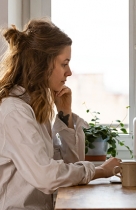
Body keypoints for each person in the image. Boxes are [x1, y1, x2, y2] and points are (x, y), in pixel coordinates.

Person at [0, 18, 121, 210]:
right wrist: (98, 171)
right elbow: (47, 177)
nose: (70, 72)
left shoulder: (34, 108)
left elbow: (69, 166)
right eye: (64, 64)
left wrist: (65, 113)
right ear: (42, 64)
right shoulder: (14, 112)